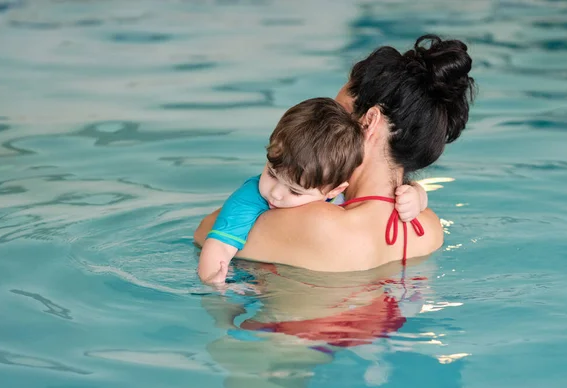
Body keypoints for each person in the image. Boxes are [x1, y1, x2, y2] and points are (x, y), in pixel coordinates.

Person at [194, 34, 475, 272]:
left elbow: (204, 234)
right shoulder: (429, 228)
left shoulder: (314, 221)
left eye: (337, 115)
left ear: (369, 122)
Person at [198, 97, 428, 284]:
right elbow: (216, 246)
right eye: (271, 173)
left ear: (334, 190)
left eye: (295, 192)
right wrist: (216, 289)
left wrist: (416, 194)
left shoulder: (329, 191)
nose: (276, 193)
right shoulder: (249, 199)